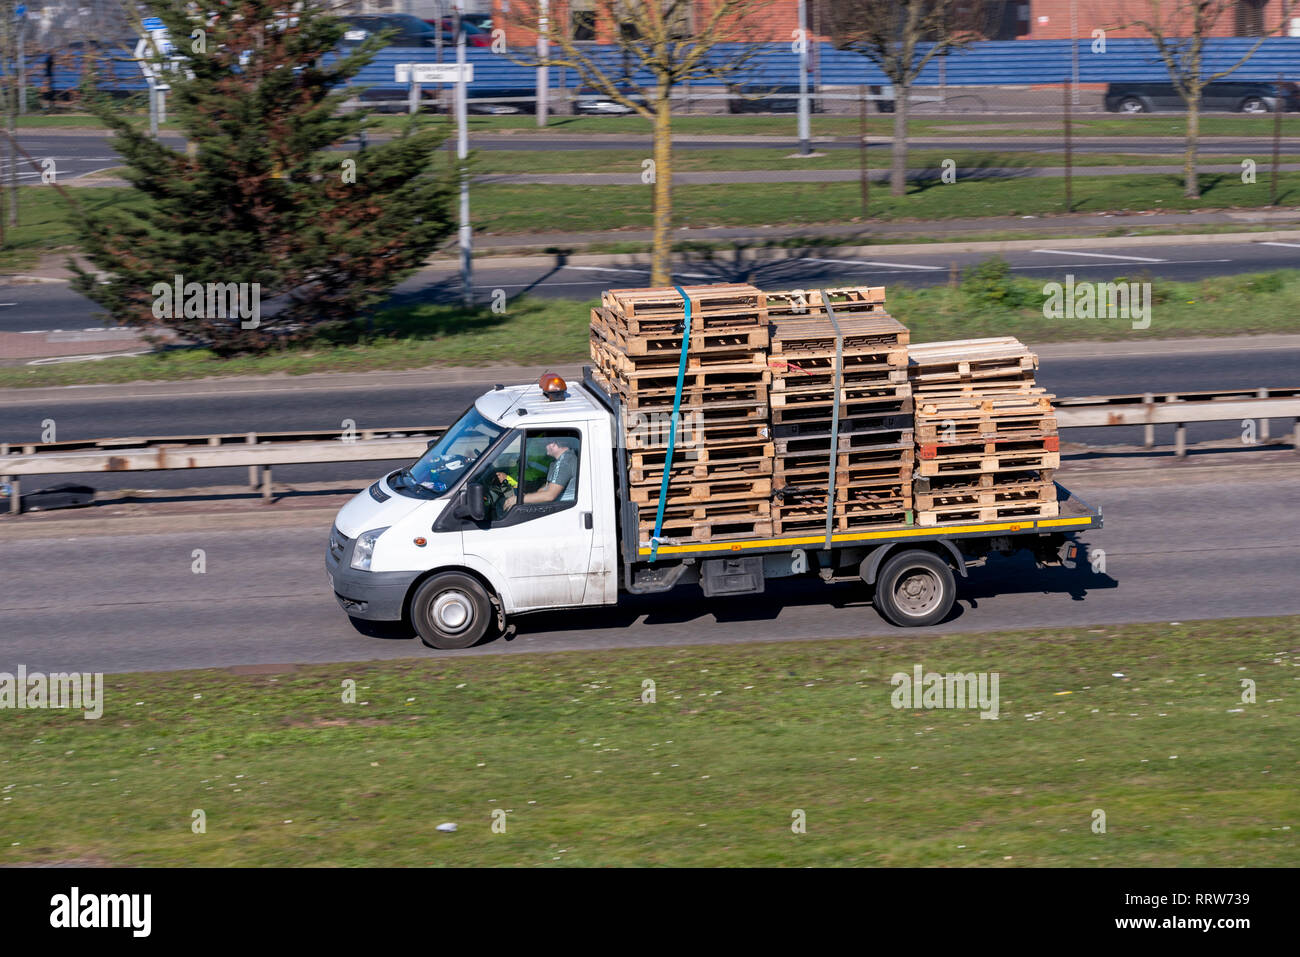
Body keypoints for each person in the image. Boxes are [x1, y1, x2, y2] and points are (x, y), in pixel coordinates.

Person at [521, 437, 579, 504]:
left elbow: (549, 496)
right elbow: (547, 488)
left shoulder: (565, 462)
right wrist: (530, 497)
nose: (545, 447)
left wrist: (519, 499)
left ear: (553, 444)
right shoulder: (560, 460)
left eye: (546, 444)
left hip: (563, 508)